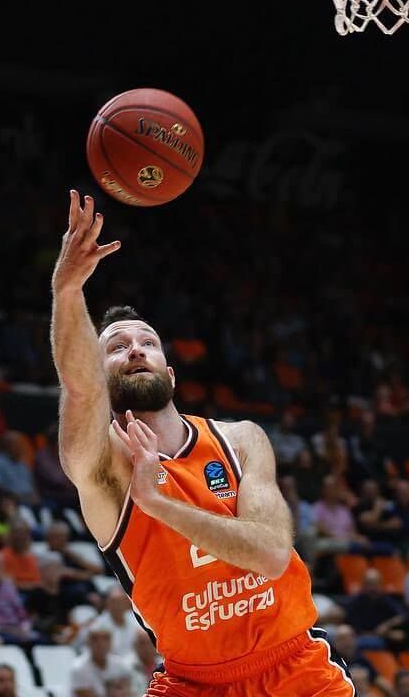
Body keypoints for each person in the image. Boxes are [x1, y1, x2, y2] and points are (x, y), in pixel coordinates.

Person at [50, 191, 354, 696]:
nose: (135, 350)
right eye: (117, 346)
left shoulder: (240, 439)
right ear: (99, 376)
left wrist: (157, 503)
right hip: (195, 683)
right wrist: (67, 291)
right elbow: (79, 391)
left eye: (147, 342)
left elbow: (271, 554)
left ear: (169, 371)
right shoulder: (102, 467)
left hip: (296, 668)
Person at [70, 627, 133, 697]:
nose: (101, 643)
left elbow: (128, 691)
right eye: (95, 639)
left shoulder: (119, 665)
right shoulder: (79, 668)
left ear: (111, 642)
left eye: (105, 639)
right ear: (88, 643)